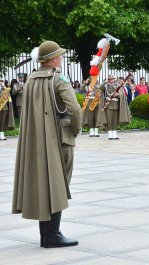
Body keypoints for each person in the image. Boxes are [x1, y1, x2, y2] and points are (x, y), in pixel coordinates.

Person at [12, 40, 82, 248]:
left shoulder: (31, 79)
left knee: (44, 183)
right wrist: (76, 129)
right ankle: (52, 234)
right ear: (51, 60)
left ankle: (47, 234)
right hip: (60, 137)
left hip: (38, 138)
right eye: (59, 55)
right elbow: (74, 109)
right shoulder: (59, 78)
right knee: (58, 183)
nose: (61, 57)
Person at [97, 75, 130, 140]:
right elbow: (99, 87)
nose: (111, 80)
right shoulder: (106, 86)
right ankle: (110, 135)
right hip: (109, 105)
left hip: (116, 105)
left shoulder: (117, 86)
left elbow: (122, 94)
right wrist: (105, 82)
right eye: (110, 79)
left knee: (115, 121)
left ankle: (114, 135)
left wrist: (118, 95)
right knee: (109, 121)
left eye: (112, 79)